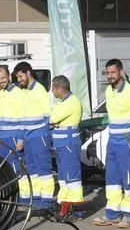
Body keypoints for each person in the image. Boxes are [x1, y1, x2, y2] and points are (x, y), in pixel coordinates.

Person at [93, 59, 130, 228]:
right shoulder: (110, 91)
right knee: (112, 179)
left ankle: (129, 215)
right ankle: (112, 214)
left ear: (121, 72)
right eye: (107, 73)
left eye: (113, 72)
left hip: (128, 143)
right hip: (113, 142)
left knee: (129, 179)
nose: (110, 76)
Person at [15, 62, 55, 210]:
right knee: (33, 171)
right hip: (28, 137)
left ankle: (47, 202)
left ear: (28, 73)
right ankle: (37, 200)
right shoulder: (25, 91)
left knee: (43, 170)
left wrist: (44, 135)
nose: (19, 80)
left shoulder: (39, 90)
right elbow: (23, 118)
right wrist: (22, 138)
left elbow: (47, 115)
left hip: (39, 136)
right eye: (17, 77)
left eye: (20, 76)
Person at [0, 65, 28, 203]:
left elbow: (25, 117)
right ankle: (10, 197)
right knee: (3, 169)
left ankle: (24, 198)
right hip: (1, 138)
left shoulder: (19, 94)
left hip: (14, 137)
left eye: (3, 78)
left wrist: (21, 139)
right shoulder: (1, 94)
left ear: (10, 77)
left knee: (17, 169)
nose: (1, 81)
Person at [50, 75, 84, 217]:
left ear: (60, 89)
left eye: (53, 89)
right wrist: (54, 123)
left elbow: (52, 118)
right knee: (64, 178)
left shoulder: (72, 102)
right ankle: (63, 205)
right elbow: (53, 119)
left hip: (69, 145)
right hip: (62, 145)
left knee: (72, 179)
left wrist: (54, 123)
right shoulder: (62, 102)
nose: (52, 92)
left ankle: (75, 209)